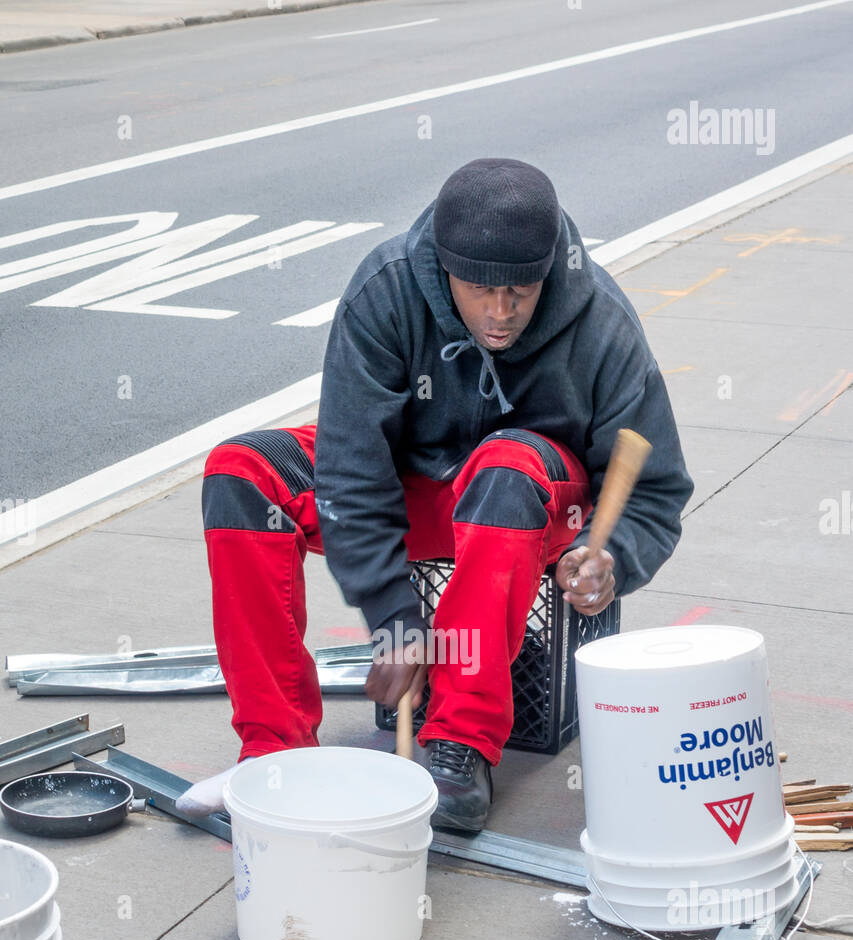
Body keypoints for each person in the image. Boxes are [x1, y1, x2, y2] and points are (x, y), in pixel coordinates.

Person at [177, 157, 693, 832]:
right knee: (241, 469)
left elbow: (653, 491)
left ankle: (458, 744)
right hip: (415, 496)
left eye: (521, 292)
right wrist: (394, 619)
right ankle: (274, 751)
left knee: (505, 463)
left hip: (526, 509)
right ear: (441, 265)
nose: (500, 313)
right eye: (479, 289)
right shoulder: (386, 290)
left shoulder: (602, 324)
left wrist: (615, 556)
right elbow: (351, 466)